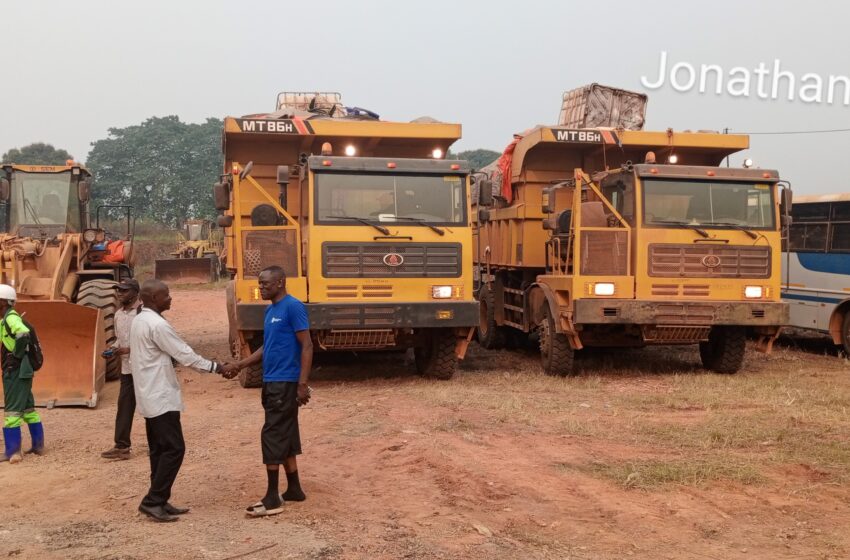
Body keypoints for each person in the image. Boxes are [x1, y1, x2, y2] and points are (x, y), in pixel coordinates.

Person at [131, 279, 231, 522]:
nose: (170, 298)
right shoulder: (156, 325)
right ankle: (153, 500)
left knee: (159, 450)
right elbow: (184, 354)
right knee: (175, 449)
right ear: (154, 299)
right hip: (160, 396)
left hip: (149, 394)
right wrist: (217, 367)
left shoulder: (139, 320)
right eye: (166, 295)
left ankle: (161, 500)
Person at [230, 265, 313, 518]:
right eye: (260, 283)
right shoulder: (270, 310)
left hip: (285, 382)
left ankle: (272, 496)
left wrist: (302, 384)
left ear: (280, 282)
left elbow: (307, 345)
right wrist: (240, 365)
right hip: (271, 380)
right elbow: (268, 346)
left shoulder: (293, 306)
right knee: (285, 432)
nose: (261, 287)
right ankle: (295, 489)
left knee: (272, 434)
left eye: (265, 283)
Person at [0, 284, 43, 463]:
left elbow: (23, 333)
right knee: (28, 409)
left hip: (16, 370)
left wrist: (16, 356)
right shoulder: (7, 318)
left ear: (2, 302)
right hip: (23, 370)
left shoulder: (10, 318)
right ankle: (38, 446)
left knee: (11, 411)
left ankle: (12, 451)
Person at [101, 278, 142, 460]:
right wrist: (112, 349)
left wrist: (126, 350)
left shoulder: (143, 315)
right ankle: (122, 447)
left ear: (135, 293)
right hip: (127, 370)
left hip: (144, 370)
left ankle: (159, 444)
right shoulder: (118, 315)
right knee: (124, 407)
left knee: (151, 408)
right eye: (118, 290)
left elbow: (150, 344)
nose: (119, 293)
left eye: (124, 290)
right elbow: (120, 339)